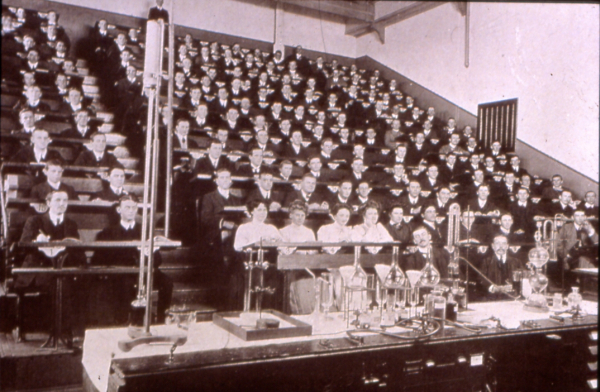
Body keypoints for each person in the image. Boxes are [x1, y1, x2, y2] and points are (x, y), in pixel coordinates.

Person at [15, 190, 84, 343]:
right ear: (48, 203)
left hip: (62, 268)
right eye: (58, 200)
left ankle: (66, 331)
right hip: (37, 269)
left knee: (71, 282)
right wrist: (37, 241)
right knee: (58, 284)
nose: (62, 204)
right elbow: (24, 246)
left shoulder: (71, 224)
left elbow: (77, 250)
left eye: (65, 201)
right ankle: (60, 332)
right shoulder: (34, 221)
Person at [93, 194, 172, 325]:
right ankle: (124, 321)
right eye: (127, 207)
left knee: (167, 282)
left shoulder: (145, 231)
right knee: (126, 284)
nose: (131, 210)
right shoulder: (107, 232)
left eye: (134, 208)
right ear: (119, 210)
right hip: (121, 273)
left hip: (144, 271)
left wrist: (149, 252)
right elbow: (99, 259)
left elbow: (158, 261)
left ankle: (161, 320)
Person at [280, 201, 317, 314]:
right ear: (291, 215)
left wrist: (307, 253)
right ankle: (296, 310)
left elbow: (314, 249)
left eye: (302, 215)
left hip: (306, 263)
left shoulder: (309, 231)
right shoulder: (283, 231)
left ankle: (308, 310)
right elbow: (283, 251)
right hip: (291, 264)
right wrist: (296, 250)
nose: (300, 218)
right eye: (297, 215)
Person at [477, 235, 523, 301]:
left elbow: (523, 280)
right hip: (491, 300)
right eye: (497, 243)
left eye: (504, 243)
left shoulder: (516, 262)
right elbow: (480, 279)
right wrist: (493, 288)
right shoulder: (486, 262)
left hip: (512, 299)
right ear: (493, 246)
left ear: (507, 246)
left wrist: (513, 287)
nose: (501, 246)